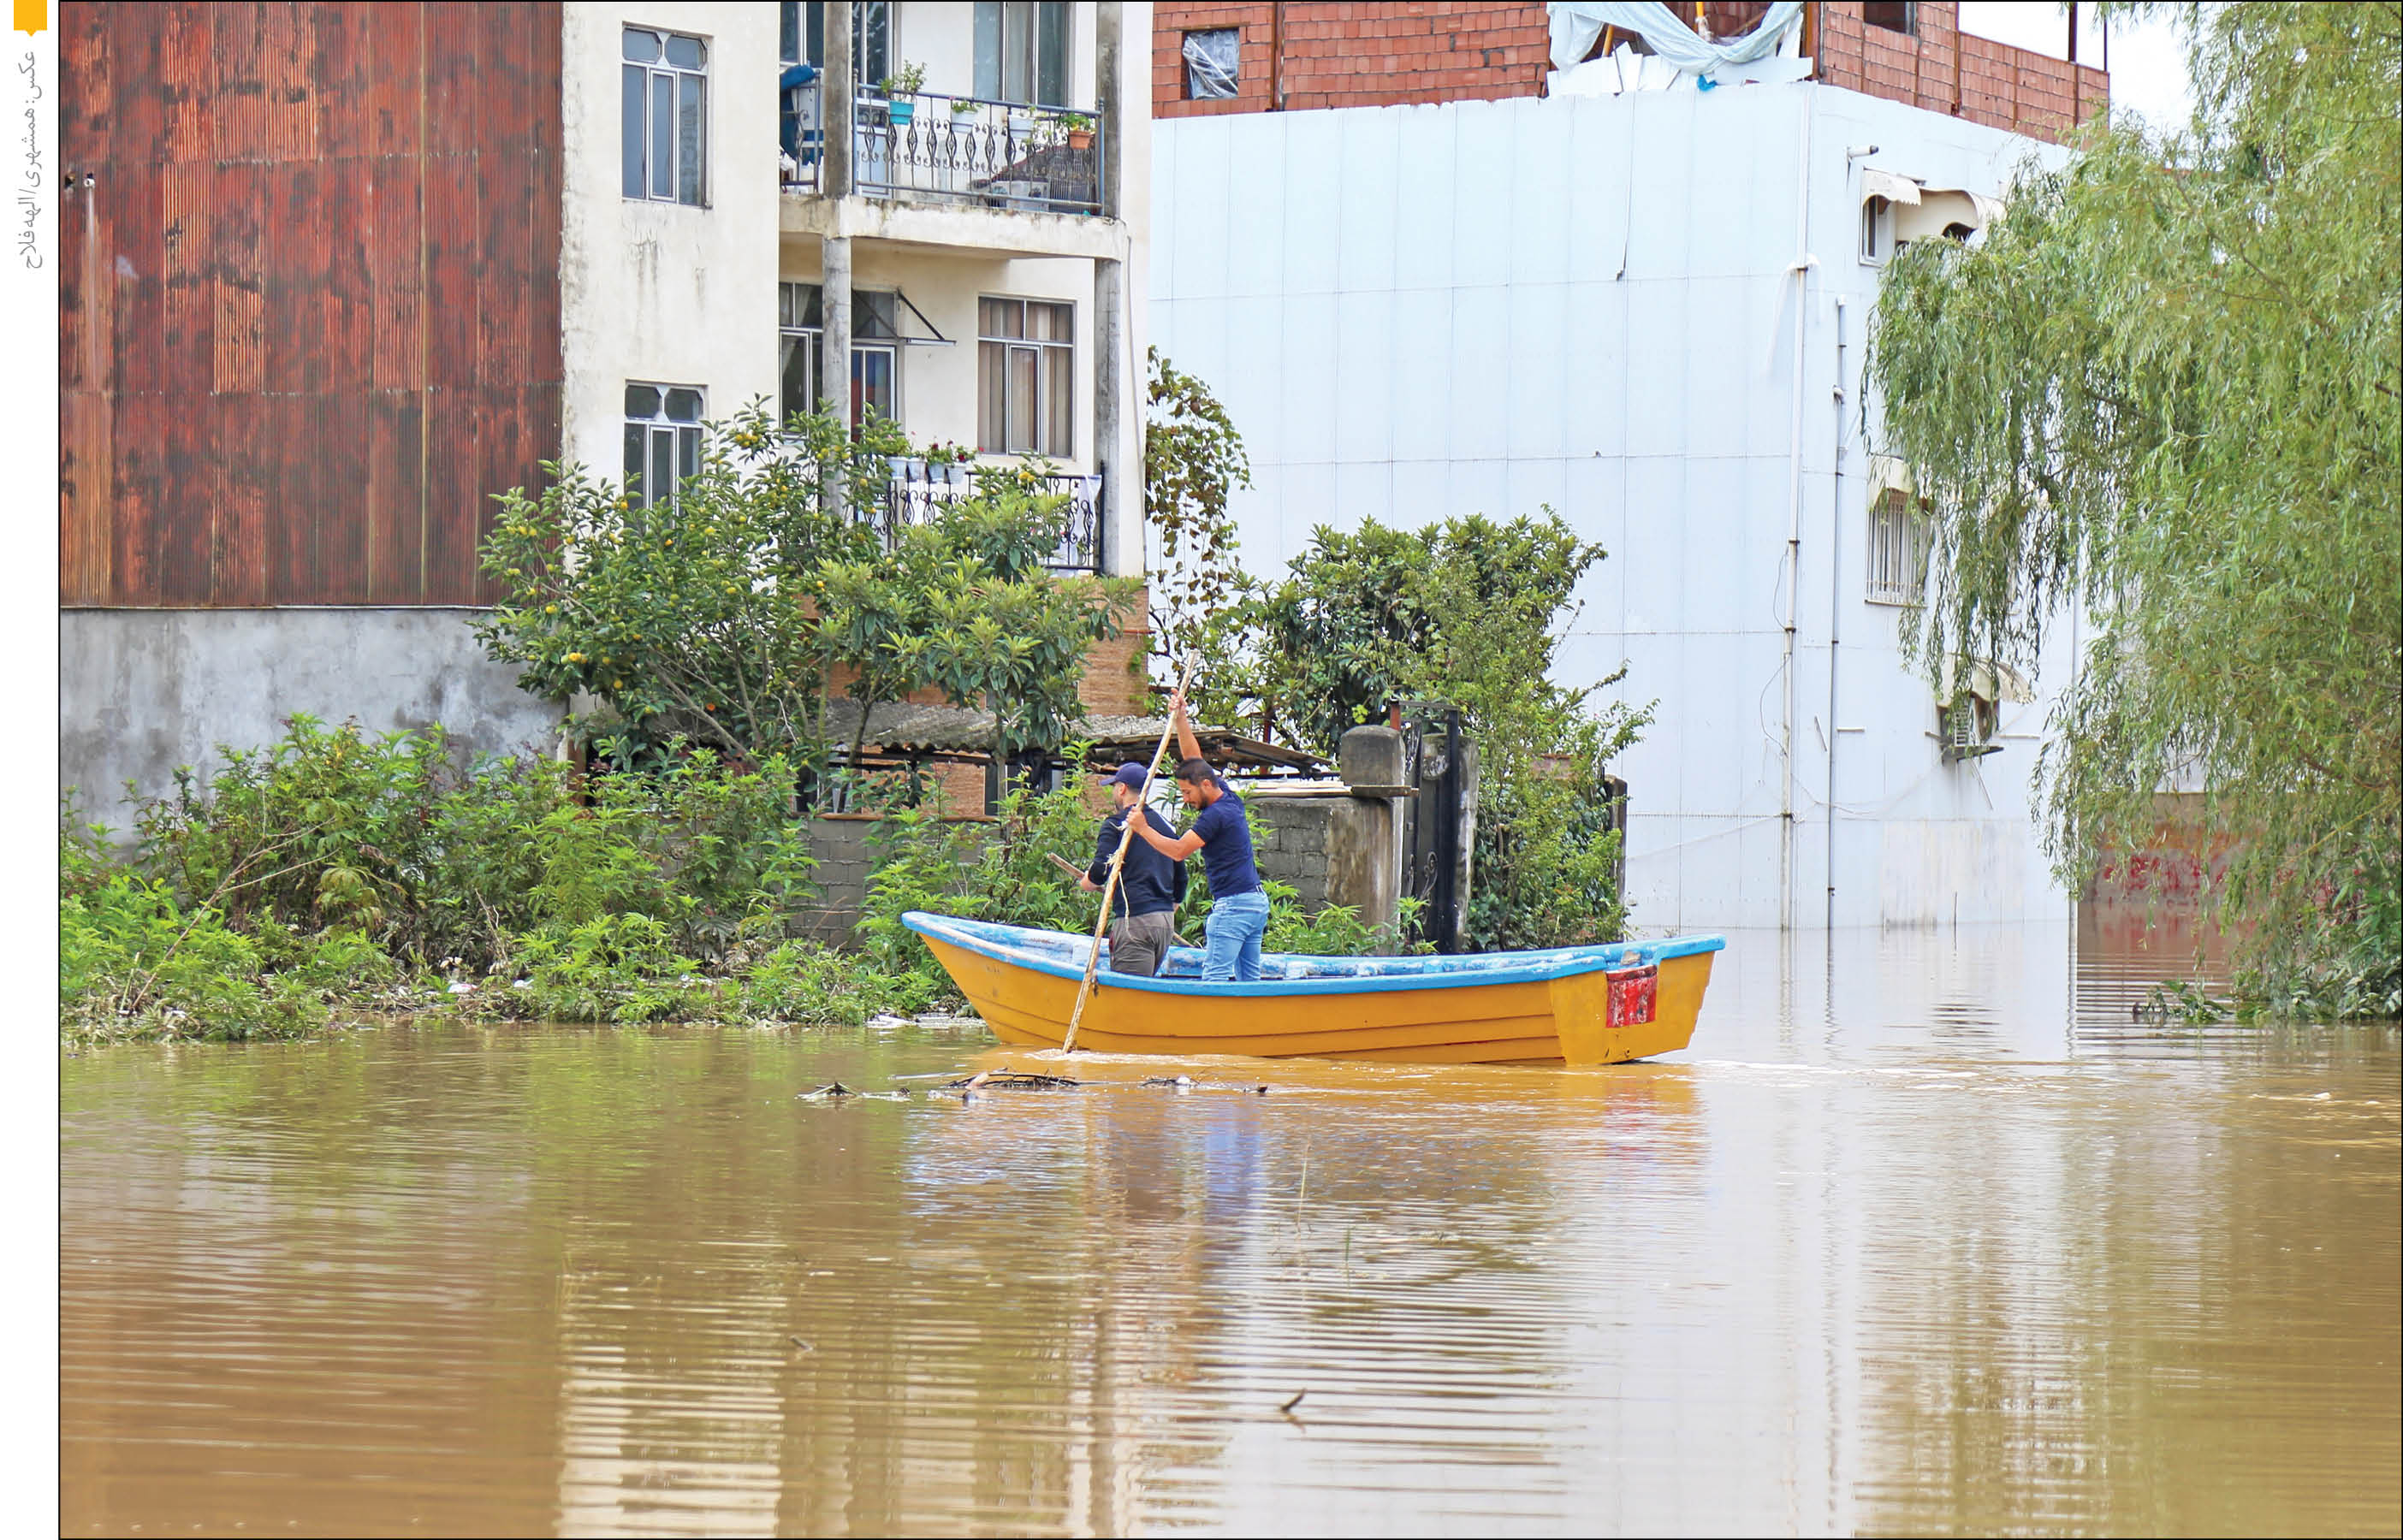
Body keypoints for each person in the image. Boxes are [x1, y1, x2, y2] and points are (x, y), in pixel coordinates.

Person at [1125, 689, 1269, 982]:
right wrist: (1181, 718)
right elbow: (1194, 758)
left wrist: (1142, 828)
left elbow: (1179, 851)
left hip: (1233, 907)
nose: (1185, 799)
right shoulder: (1226, 796)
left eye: (1187, 792)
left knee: (1215, 979)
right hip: (1254, 903)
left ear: (1205, 785)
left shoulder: (1216, 816)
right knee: (1249, 983)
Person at [1082, 761, 1183, 977]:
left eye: (1114, 788)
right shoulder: (1166, 827)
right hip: (1164, 922)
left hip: (1135, 922)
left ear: (1122, 789)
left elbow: (1100, 871)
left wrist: (1087, 881)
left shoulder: (1116, 824)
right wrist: (1162, 910)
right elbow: (1181, 879)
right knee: (1143, 988)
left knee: (1128, 992)